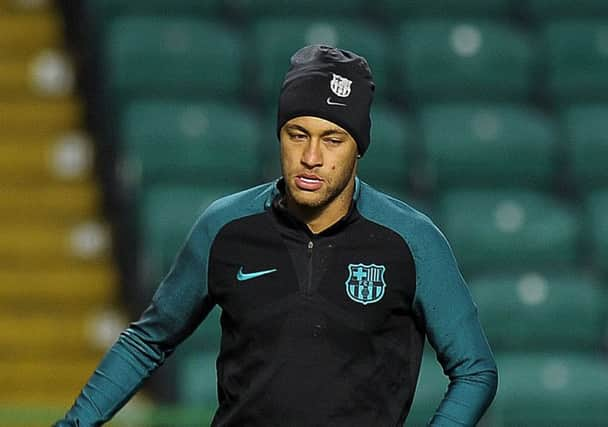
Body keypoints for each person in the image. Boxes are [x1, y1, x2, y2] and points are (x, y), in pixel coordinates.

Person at [54, 44, 498, 427]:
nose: (311, 156)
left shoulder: (412, 240)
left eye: (332, 139)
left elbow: (475, 370)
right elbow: (148, 340)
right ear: (279, 135)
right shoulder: (224, 226)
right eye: (297, 134)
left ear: (359, 147)